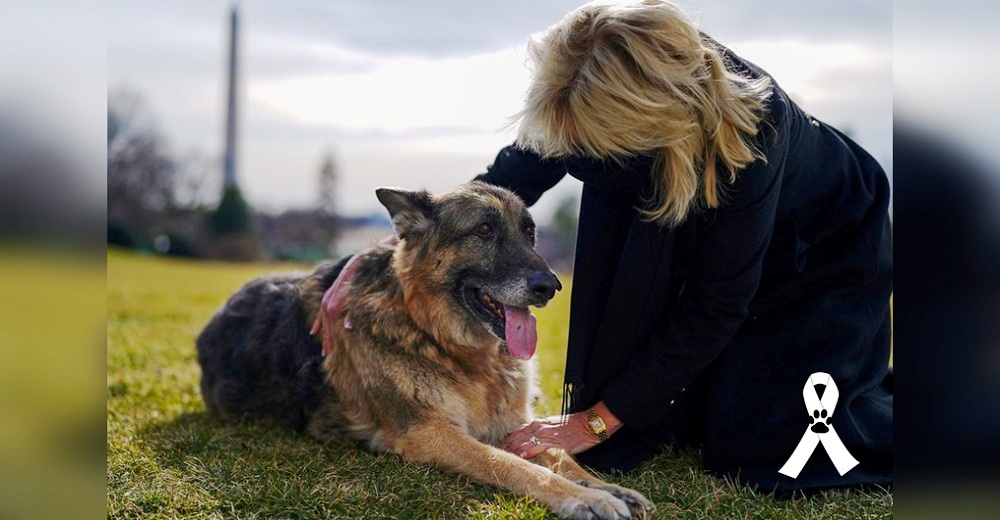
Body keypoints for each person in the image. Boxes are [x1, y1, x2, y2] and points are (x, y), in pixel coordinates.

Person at [319, 0, 892, 494]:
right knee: (663, 425)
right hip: (687, 202)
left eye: (587, 143)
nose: (567, 148)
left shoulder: (750, 132)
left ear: (645, 121)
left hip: (818, 246)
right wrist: (377, 261)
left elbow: (717, 301)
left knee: (766, 448)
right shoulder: (579, 83)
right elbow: (493, 192)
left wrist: (594, 422)